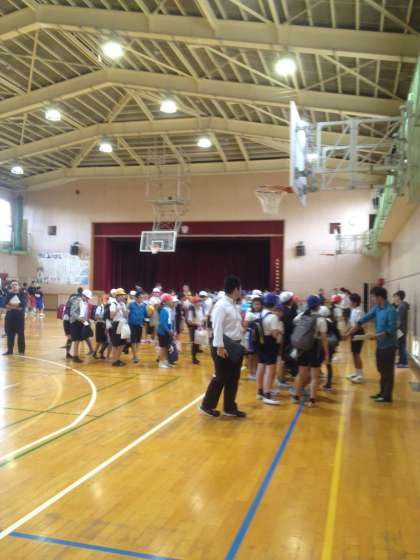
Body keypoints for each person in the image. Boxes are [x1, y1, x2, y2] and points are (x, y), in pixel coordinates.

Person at [200, 275, 246, 418]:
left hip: (235, 346)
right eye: (240, 289)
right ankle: (206, 406)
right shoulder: (221, 305)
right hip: (223, 346)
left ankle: (229, 408)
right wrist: (220, 347)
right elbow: (217, 327)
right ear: (235, 289)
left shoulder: (233, 304)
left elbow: (234, 326)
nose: (240, 291)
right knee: (221, 377)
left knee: (233, 378)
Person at [350, 286, 398, 403]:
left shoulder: (391, 310)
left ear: (380, 297)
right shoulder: (377, 308)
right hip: (380, 344)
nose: (371, 299)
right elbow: (365, 318)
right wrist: (354, 328)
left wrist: (375, 336)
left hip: (389, 345)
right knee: (381, 369)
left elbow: (390, 330)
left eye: (373, 297)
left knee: (387, 371)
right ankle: (382, 392)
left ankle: (386, 396)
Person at [292, 295, 329, 407]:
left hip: (301, 347)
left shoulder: (300, 316)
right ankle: (312, 400)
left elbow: (295, 324)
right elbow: (324, 339)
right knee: (314, 376)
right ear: (318, 306)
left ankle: (296, 396)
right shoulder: (321, 319)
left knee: (301, 374)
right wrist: (327, 354)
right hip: (315, 348)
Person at [255, 293, 283, 405]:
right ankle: (267, 394)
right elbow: (275, 335)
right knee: (270, 369)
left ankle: (260, 392)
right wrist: (280, 331)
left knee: (261, 366)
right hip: (269, 344)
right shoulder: (273, 317)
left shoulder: (259, 314)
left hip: (260, 343)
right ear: (274, 304)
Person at [345, 293, 365, 383]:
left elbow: (358, 326)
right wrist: (347, 331)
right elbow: (351, 323)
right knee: (354, 353)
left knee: (357, 354)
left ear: (355, 302)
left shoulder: (359, 311)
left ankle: (360, 375)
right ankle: (357, 372)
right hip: (353, 332)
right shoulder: (353, 310)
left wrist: (349, 333)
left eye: (350, 301)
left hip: (358, 333)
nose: (349, 302)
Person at [319, 306, 341, 390]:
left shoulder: (321, 321)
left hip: (323, 344)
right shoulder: (332, 321)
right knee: (328, 364)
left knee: (318, 362)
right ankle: (328, 384)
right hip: (332, 345)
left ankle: (316, 378)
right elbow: (337, 334)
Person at [3, 280, 27, 356]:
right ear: (11, 286)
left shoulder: (22, 294)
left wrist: (11, 306)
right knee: (10, 334)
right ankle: (9, 350)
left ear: (18, 286)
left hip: (19, 318)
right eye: (13, 285)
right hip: (9, 318)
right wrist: (16, 307)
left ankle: (21, 351)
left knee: (21, 334)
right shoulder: (9, 294)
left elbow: (22, 305)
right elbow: (5, 305)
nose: (14, 286)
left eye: (16, 284)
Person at [69, 289, 92, 363]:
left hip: (81, 323)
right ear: (83, 296)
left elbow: (85, 313)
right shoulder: (77, 301)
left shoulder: (85, 303)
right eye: (87, 297)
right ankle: (75, 356)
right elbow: (72, 312)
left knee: (78, 340)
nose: (88, 299)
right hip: (75, 322)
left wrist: (86, 321)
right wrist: (80, 319)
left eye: (88, 298)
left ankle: (75, 356)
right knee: (76, 340)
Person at [243, 296, 263, 381]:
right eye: (255, 304)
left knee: (257, 355)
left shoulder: (262, 313)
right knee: (251, 355)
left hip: (260, 337)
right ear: (252, 305)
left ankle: (256, 371)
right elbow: (245, 326)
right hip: (251, 337)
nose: (257, 306)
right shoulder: (250, 314)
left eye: (258, 304)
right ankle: (251, 373)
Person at [109, 288, 128, 367]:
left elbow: (126, 315)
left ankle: (118, 359)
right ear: (117, 296)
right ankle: (115, 360)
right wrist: (117, 310)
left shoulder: (123, 304)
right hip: (116, 324)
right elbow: (111, 316)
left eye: (123, 295)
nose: (123, 297)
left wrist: (125, 311)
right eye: (121, 295)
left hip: (122, 324)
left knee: (122, 343)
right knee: (115, 344)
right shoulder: (113, 304)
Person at [128, 292, 147, 364]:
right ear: (136, 298)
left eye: (142, 297)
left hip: (140, 325)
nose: (142, 299)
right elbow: (128, 314)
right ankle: (134, 356)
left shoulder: (144, 305)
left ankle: (136, 355)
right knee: (133, 340)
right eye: (140, 297)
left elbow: (146, 315)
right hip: (132, 324)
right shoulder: (131, 305)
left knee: (138, 340)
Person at [186, 295, 205, 365]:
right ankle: (194, 359)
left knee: (198, 342)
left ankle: (196, 352)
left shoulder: (201, 308)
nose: (199, 303)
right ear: (194, 303)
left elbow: (202, 317)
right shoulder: (191, 309)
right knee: (194, 343)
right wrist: (197, 324)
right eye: (198, 301)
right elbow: (189, 321)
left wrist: (202, 322)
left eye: (200, 301)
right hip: (193, 328)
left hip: (199, 327)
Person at [157, 293, 174, 369]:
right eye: (171, 300)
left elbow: (169, 322)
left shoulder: (168, 310)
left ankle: (166, 362)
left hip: (167, 332)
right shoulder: (164, 310)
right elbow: (163, 323)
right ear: (166, 301)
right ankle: (161, 363)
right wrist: (168, 331)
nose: (172, 302)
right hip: (163, 332)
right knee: (163, 347)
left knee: (166, 347)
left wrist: (171, 330)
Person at [393, 290, 409, 368]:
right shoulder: (400, 306)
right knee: (400, 345)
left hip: (401, 330)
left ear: (399, 297)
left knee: (402, 346)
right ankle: (401, 361)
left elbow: (399, 320)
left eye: (395, 296)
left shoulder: (402, 306)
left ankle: (404, 363)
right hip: (400, 329)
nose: (394, 298)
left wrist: (394, 328)